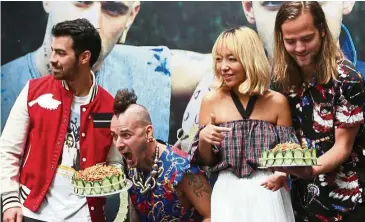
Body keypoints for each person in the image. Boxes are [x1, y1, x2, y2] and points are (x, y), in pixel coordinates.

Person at [177, 2, 365, 171]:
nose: (294, 12)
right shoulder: (210, 92)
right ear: (248, 7)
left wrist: (304, 171)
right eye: (274, 1)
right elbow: (199, 168)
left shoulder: (352, 80)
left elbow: (339, 149)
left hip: (342, 205)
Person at [0, 18, 123, 222]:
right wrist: (10, 200)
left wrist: (110, 179)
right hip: (31, 212)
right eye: (53, 51)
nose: (52, 59)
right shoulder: (33, 92)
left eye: (61, 53)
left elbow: (114, 163)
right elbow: (8, 150)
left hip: (86, 216)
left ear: (84, 57)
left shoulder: (109, 108)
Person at [1, 1, 176, 142]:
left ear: (131, 16)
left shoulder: (149, 68)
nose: (93, 23)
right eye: (82, 2)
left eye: (113, 9)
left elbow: (202, 68)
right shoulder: (8, 86)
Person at [271, 2, 365, 221]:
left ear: (323, 31)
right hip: (301, 203)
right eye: (290, 41)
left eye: (307, 38)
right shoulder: (280, 81)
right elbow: (283, 137)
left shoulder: (348, 79)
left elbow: (343, 147)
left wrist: (310, 170)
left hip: (347, 206)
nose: (299, 48)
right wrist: (281, 169)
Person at [188, 26, 296, 222]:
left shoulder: (277, 102)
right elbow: (208, 161)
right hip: (227, 191)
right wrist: (204, 139)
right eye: (219, 59)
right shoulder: (210, 101)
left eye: (232, 59)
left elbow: (290, 153)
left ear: (251, 59)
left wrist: (282, 172)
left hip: (268, 191)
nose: (223, 67)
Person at [110, 89, 211, 222]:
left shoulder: (183, 169)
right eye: (114, 136)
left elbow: (212, 215)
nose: (118, 144)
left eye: (126, 135)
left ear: (148, 133)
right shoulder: (131, 165)